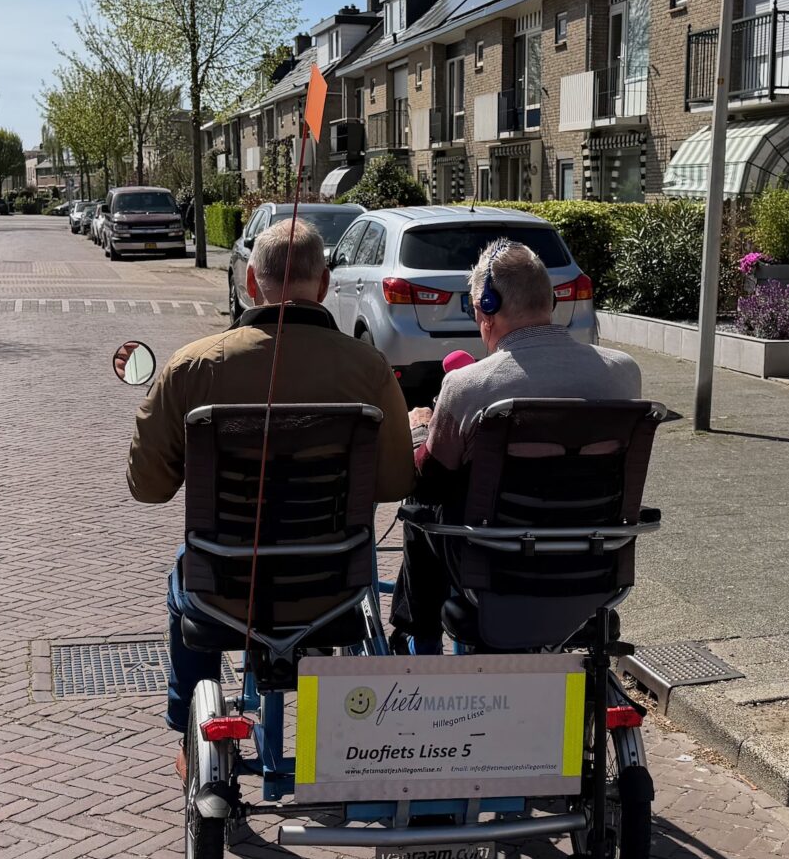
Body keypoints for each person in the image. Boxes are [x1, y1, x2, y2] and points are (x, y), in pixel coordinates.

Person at [126, 219, 414, 777]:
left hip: (227, 588)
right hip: (333, 587)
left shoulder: (192, 367)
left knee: (182, 577)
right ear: (326, 284)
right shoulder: (368, 369)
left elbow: (148, 487)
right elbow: (396, 482)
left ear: (252, 283)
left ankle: (191, 732)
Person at [389, 238, 643, 655]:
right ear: (551, 302)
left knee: (420, 511)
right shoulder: (623, 373)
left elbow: (429, 480)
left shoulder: (468, 385)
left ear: (486, 307)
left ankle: (419, 641)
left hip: (495, 574)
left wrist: (420, 429)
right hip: (591, 569)